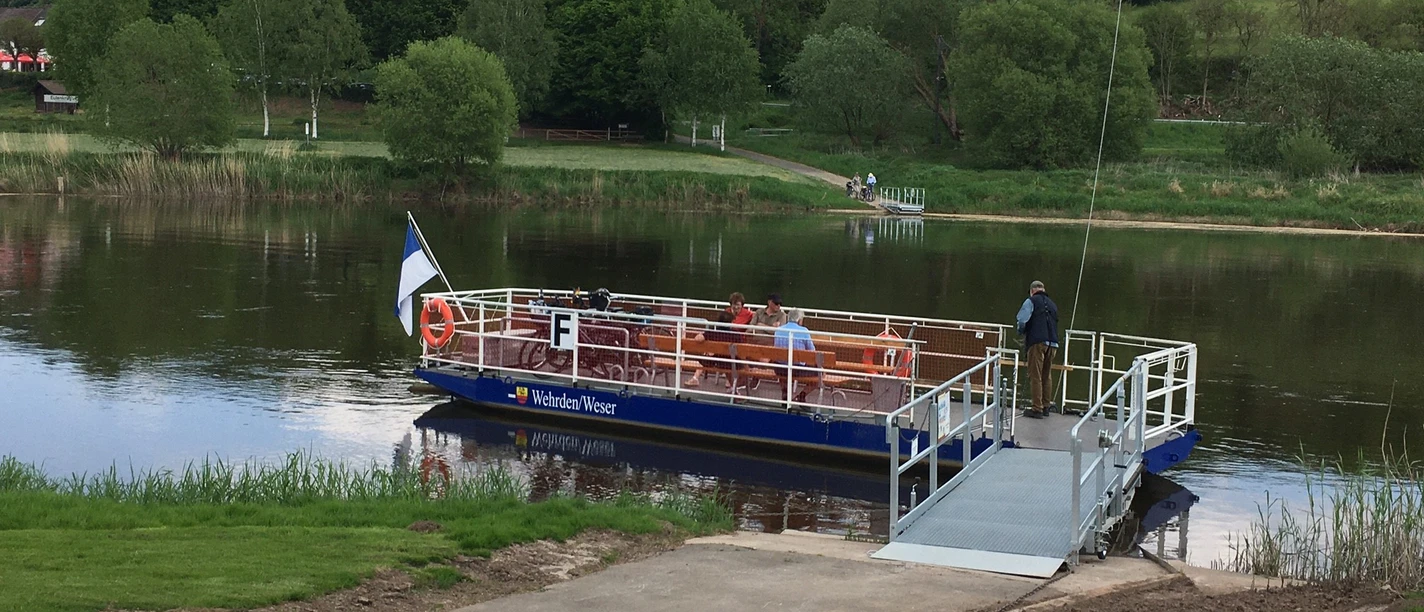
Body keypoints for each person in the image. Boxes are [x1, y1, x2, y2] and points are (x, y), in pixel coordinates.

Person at [1016, 280, 1059, 418]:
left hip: (1037, 342)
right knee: (1047, 375)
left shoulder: (1031, 301)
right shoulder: (1052, 304)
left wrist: (1021, 331)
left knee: (1035, 375)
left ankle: (1037, 408)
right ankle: (1046, 406)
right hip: (1053, 343)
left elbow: (1022, 320)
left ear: (1032, 290)